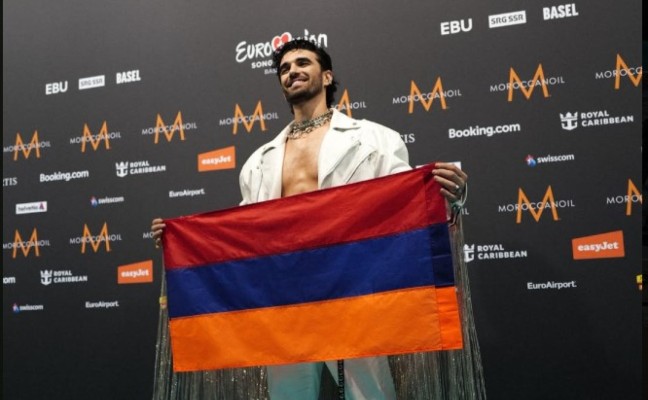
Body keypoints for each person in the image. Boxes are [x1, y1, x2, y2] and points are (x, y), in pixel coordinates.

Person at [151, 38, 467, 400]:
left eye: (303, 63)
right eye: (284, 68)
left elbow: (405, 205)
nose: (292, 71)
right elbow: (243, 232)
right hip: (284, 297)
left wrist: (450, 198)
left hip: (351, 288)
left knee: (370, 394)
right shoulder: (258, 161)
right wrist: (180, 241)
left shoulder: (374, 139)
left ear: (327, 76)